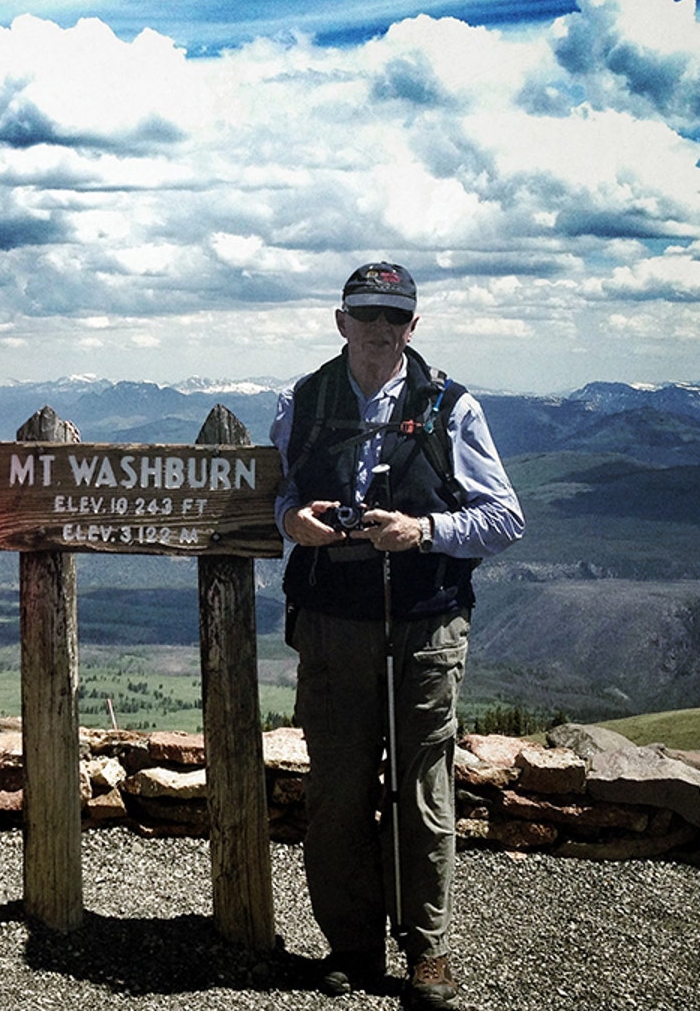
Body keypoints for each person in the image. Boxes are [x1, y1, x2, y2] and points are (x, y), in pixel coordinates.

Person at [269, 263, 524, 1011]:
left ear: (414, 326)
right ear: (340, 320)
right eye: (366, 314)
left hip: (425, 619)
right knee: (338, 790)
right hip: (332, 623)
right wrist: (295, 523)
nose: (379, 330)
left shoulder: (452, 407)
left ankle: (426, 950)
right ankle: (349, 945)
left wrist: (424, 531)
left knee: (424, 791)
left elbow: (504, 519)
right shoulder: (302, 401)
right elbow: (279, 493)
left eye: (394, 317)